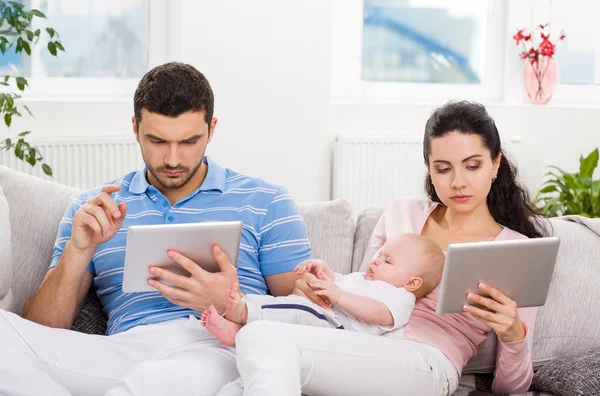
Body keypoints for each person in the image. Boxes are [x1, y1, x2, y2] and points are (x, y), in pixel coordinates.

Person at [0, 62, 312, 396]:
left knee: (153, 382)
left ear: (212, 129)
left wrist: (235, 304)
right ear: (135, 128)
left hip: (219, 346)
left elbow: (313, 319)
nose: (174, 159)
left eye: (190, 141)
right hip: (125, 350)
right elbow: (44, 328)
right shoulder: (94, 208)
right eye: (157, 141)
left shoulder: (268, 202)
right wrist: (78, 252)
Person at [220, 101, 549, 396]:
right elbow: (365, 291)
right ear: (429, 170)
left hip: (427, 361)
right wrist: (320, 289)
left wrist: (512, 333)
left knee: (263, 338)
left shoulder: (516, 250)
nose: (458, 182)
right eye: (444, 168)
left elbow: (511, 387)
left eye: (472, 165)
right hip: (360, 343)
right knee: (244, 371)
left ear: (495, 164)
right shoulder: (402, 214)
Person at [202, 233, 445, 345]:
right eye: (379, 255)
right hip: (326, 318)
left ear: (412, 283)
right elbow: (341, 281)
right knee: (283, 318)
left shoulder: (399, 296)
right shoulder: (365, 279)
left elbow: (379, 313)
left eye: (387, 261)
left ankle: (243, 311)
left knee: (298, 309)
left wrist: (338, 295)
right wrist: (324, 272)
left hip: (340, 330)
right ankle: (236, 332)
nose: (376, 261)